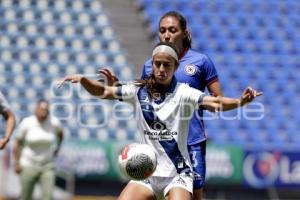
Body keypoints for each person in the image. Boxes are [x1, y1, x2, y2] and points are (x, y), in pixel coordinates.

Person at [58, 42, 261, 200]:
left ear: (175, 67)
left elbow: (215, 103)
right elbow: (103, 91)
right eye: (157, 64)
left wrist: (240, 101)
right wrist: (85, 81)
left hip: (178, 174)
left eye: (167, 65)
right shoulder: (136, 91)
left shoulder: (184, 93)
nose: (161, 69)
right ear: (152, 64)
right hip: (147, 173)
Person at [99, 11, 224, 200]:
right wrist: (117, 87)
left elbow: (218, 99)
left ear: (184, 33)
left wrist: (192, 103)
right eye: (162, 30)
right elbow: (144, 98)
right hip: (163, 142)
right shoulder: (151, 65)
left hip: (192, 140)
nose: (167, 35)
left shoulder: (201, 61)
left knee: (195, 196)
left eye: (172, 30)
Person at [13, 99, 64, 200]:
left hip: (47, 164)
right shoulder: (27, 122)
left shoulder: (54, 122)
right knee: (25, 196)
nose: (43, 112)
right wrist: (17, 163)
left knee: (48, 196)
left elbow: (61, 135)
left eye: (46, 110)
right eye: (41, 109)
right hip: (28, 164)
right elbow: (17, 143)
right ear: (36, 110)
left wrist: (57, 149)